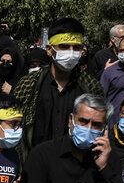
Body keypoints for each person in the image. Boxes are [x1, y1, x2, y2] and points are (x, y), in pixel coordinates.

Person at [10, 18, 104, 160]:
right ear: (49, 50)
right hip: (35, 166)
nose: (71, 53)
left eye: (76, 48)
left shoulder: (91, 88)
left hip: (75, 168)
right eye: (64, 47)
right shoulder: (28, 85)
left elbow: (98, 129)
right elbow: (13, 127)